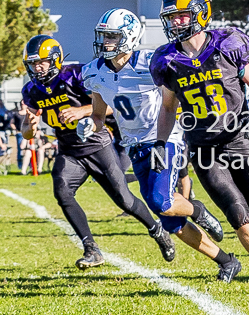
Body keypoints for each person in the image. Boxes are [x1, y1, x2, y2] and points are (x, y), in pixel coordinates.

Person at [79, 8, 243, 283]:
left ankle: (198, 209)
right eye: (103, 36)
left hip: (164, 139)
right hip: (134, 146)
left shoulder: (151, 62)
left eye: (112, 36)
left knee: (161, 200)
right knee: (170, 221)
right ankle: (227, 261)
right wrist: (89, 124)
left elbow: (177, 95)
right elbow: (98, 115)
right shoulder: (94, 72)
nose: (105, 42)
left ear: (129, 37)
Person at [150, 0, 249, 296]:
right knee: (239, 216)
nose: (175, 23)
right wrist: (160, 144)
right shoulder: (167, 60)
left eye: (181, 16)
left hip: (239, 140)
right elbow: (167, 108)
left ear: (200, 13)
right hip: (204, 150)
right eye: (170, 18)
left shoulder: (228, 43)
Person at [21, 34, 176, 269]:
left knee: (123, 199)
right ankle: (91, 248)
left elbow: (113, 103)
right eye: (32, 63)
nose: (37, 67)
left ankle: (156, 229)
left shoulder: (76, 75)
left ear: (55, 59)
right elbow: (27, 132)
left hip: (96, 145)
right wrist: (29, 126)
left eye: (41, 62)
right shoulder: (33, 90)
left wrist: (82, 111)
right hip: (69, 151)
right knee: (62, 192)